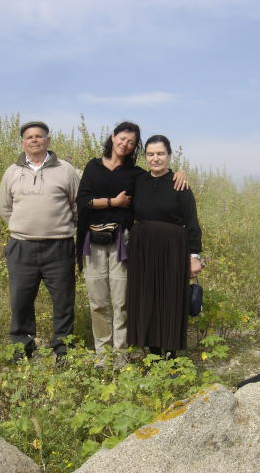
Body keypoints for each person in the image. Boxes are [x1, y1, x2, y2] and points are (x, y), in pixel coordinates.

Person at [76, 122, 187, 365]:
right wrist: (113, 202)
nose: (125, 144)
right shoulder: (93, 166)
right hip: (92, 241)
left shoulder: (136, 175)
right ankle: (102, 355)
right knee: (98, 302)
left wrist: (179, 173)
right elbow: (82, 201)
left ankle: (121, 355)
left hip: (122, 241)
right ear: (113, 137)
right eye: (122, 138)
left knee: (122, 301)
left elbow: (158, 179)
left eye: (131, 142)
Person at [0, 120, 80, 362]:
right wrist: (24, 228)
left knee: (63, 301)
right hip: (21, 247)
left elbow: (77, 206)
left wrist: (59, 227)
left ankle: (63, 349)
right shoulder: (12, 172)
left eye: (38, 136)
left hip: (59, 246)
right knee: (20, 300)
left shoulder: (66, 170)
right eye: (29, 137)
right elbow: (5, 208)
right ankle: (22, 347)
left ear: (48, 140)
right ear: (23, 143)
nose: (34, 140)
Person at [126, 134, 203, 359]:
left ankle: (170, 351)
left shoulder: (180, 184)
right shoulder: (138, 181)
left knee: (170, 297)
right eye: (150, 154)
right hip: (142, 248)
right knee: (145, 297)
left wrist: (194, 255)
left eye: (160, 154)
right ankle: (152, 351)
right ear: (145, 157)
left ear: (169, 156)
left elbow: (192, 221)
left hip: (172, 248)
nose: (155, 158)